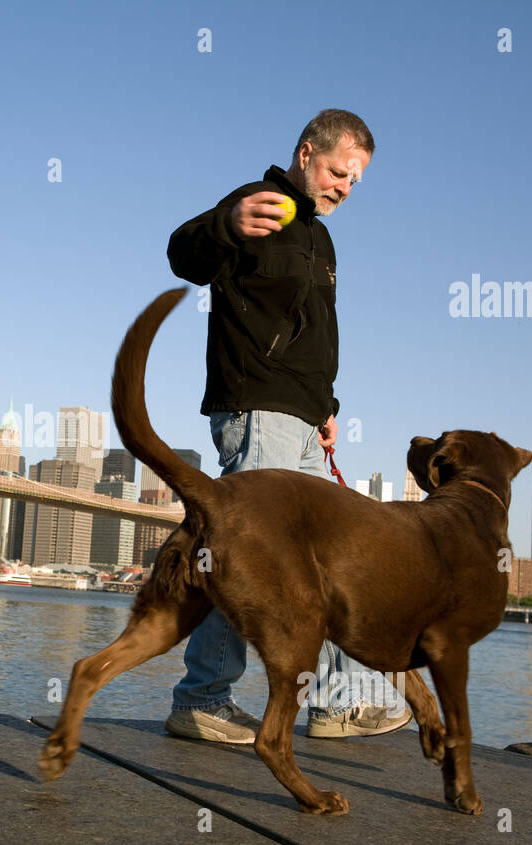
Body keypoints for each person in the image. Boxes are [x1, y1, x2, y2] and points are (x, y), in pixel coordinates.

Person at [163, 108, 410, 743]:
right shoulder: (259, 202)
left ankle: (339, 702)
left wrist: (325, 407)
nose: (345, 187)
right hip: (256, 411)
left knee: (325, 562)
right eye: (337, 172)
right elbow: (182, 253)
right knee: (255, 558)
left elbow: (314, 334)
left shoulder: (321, 239)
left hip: (303, 420)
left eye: (356, 180)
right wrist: (227, 225)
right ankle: (203, 698)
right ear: (306, 154)